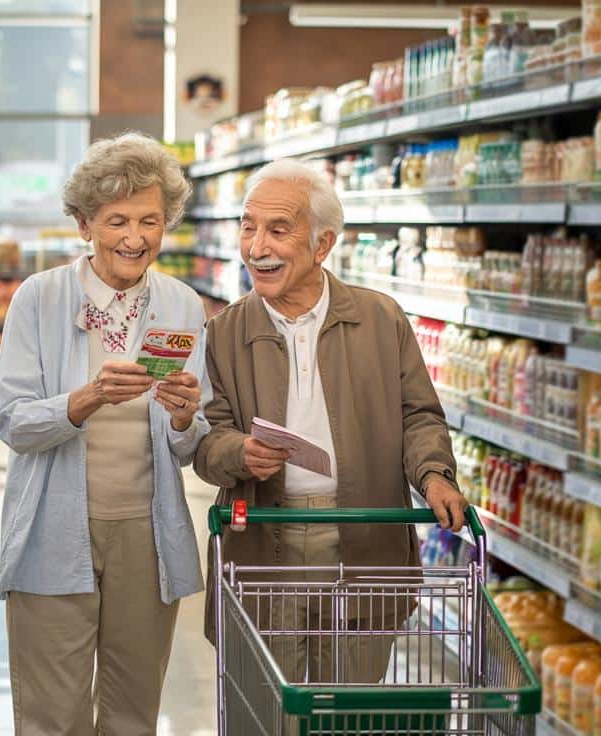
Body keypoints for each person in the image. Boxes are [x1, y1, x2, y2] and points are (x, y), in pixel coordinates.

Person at [193, 158, 466, 684]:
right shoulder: (223, 332)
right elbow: (207, 440)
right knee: (270, 705)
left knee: (347, 703)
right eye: (248, 227)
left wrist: (434, 475)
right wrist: (237, 452)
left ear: (322, 246)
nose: (256, 247)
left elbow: (419, 416)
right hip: (264, 541)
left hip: (363, 540)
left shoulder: (380, 320)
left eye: (278, 229)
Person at [0, 132, 209, 735]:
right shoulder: (40, 299)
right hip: (53, 529)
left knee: (134, 711)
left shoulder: (183, 304)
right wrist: (86, 398)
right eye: (117, 221)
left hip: (146, 534)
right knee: (52, 714)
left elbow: (189, 443)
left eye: (150, 220)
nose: (136, 238)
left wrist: (188, 415)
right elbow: (13, 420)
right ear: (85, 225)